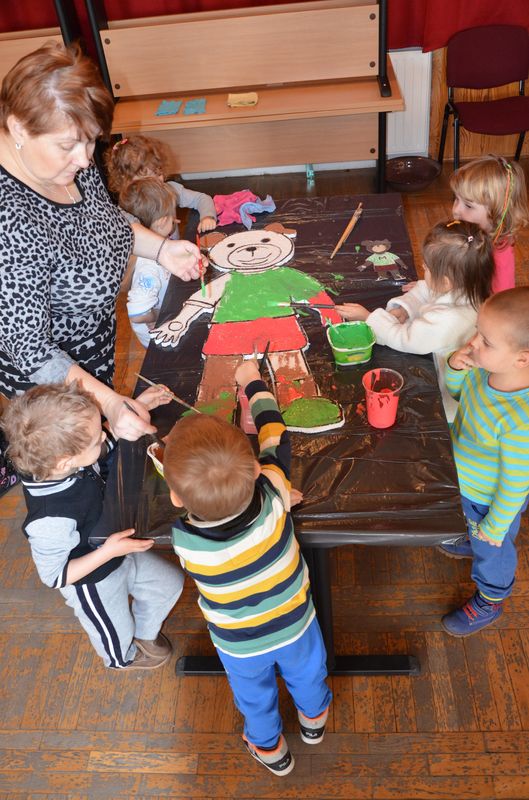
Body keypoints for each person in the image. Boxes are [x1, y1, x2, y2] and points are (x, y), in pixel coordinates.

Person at [0, 41, 201, 443]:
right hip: (49, 399)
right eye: (68, 145)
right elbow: (32, 351)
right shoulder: (9, 218)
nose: (85, 159)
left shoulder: (65, 165)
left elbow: (105, 223)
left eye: (91, 141)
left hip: (94, 357)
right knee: (78, 480)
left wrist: (161, 249)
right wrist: (108, 403)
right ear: (19, 127)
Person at [163, 360, 332, 776]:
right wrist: (252, 381)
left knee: (253, 697)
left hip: (238, 642)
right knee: (309, 672)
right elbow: (274, 431)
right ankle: (314, 720)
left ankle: (269, 748)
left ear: (176, 499)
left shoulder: (183, 541)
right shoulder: (273, 486)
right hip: (296, 621)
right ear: (256, 469)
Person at [0, 380, 185, 669]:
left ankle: (145, 634)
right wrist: (108, 552)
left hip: (114, 547)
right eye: (98, 437)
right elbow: (55, 576)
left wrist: (137, 407)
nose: (105, 436)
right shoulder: (50, 518)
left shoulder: (67, 460)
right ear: (65, 462)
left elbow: (107, 438)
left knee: (169, 584)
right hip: (92, 582)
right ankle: (122, 658)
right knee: (113, 631)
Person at [335, 220, 494, 422]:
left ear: (445, 281)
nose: (422, 271)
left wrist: (369, 318)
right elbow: (426, 289)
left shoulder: (448, 319)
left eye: (426, 268)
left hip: (448, 399)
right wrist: (405, 308)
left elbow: (404, 339)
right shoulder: (470, 287)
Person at [438, 288, 529, 636]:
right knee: (473, 528)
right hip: (468, 485)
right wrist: (456, 367)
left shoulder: (520, 419)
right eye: (477, 331)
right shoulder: (485, 370)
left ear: (521, 359)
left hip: (489, 502)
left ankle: (491, 598)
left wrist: (494, 527)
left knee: (494, 551)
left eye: (486, 341)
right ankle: (472, 537)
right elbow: (462, 395)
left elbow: (516, 484)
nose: (473, 342)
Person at [105, 134, 217, 235]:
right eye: (148, 178)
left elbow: (201, 198)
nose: (159, 180)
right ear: (127, 181)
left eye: (158, 173)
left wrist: (207, 216)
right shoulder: (126, 211)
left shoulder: (170, 189)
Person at [451, 155, 528, 293]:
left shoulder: (499, 258)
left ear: (496, 215)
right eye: (456, 199)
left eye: (468, 205)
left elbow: (502, 304)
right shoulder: (468, 232)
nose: (456, 210)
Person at [118, 177, 178, 347]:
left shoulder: (152, 248)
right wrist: (159, 315)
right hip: (160, 338)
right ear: (161, 222)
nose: (175, 220)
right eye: (172, 216)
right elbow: (138, 313)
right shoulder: (147, 265)